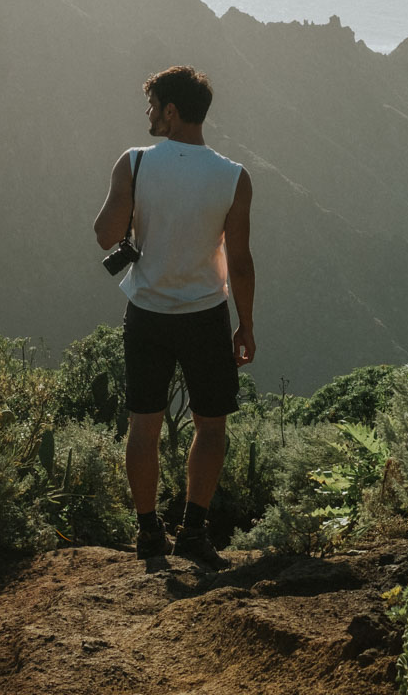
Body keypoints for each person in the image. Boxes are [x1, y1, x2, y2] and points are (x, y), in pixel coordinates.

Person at [92, 65, 255, 568]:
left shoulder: (135, 163)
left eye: (153, 105)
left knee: (145, 425)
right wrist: (245, 325)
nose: (147, 114)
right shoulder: (233, 177)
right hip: (207, 314)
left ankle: (147, 535)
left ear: (171, 111)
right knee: (211, 427)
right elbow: (241, 260)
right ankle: (193, 532)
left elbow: (104, 234)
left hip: (146, 314)